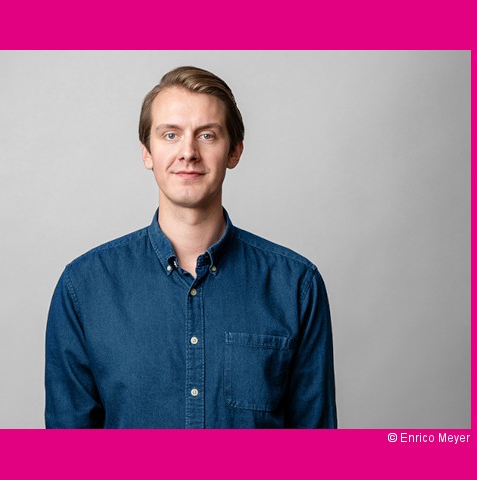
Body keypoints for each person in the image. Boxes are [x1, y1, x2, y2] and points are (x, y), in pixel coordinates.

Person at [44, 66, 336, 428]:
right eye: (170, 135)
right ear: (147, 152)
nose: (188, 152)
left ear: (234, 151)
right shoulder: (84, 287)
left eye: (207, 135)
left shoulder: (296, 285)